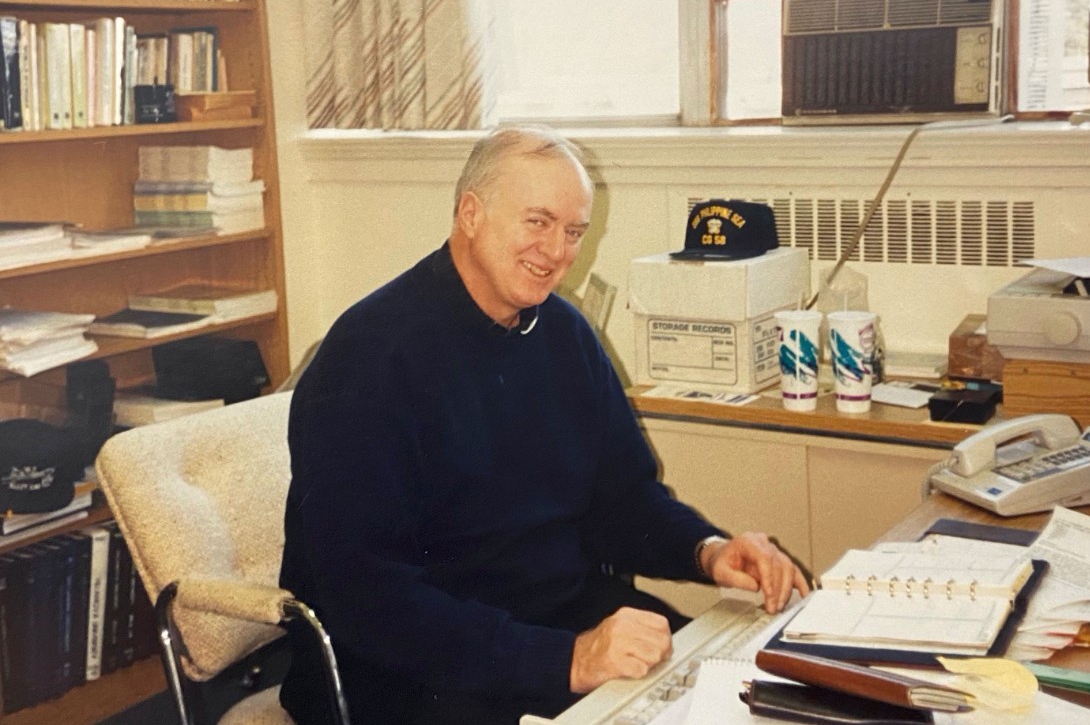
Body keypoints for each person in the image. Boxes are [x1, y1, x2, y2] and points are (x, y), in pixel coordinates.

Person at [279, 125, 809, 724]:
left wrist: (708, 552)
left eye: (573, 231)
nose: (557, 251)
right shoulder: (369, 357)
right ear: (471, 214)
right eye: (537, 222)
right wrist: (567, 659)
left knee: (751, 695)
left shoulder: (563, 333)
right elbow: (368, 598)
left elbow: (622, 498)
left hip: (555, 630)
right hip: (413, 672)